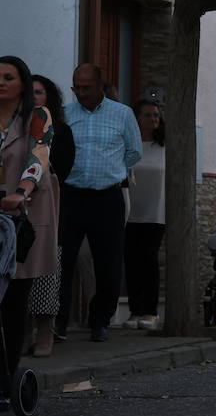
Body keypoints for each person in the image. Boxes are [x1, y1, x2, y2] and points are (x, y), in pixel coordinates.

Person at [58, 63, 141, 342]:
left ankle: (99, 321)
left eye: (86, 88)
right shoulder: (65, 115)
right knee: (61, 261)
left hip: (107, 197)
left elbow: (134, 152)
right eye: (76, 88)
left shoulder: (123, 114)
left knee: (109, 264)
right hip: (70, 196)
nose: (81, 94)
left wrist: (111, 171)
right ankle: (57, 323)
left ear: (100, 86)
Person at [0, 56, 57, 378]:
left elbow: (39, 155)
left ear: (22, 83)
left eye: (9, 77)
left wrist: (21, 191)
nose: (1, 82)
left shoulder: (37, 115)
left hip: (22, 214)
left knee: (13, 297)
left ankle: (8, 375)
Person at [24, 75, 69, 355]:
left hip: (45, 206)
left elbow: (62, 170)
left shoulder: (61, 131)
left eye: (39, 92)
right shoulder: (12, 127)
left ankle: (44, 332)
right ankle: (20, 332)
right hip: (13, 205)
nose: (34, 97)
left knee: (45, 272)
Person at [123, 99, 166, 329]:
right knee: (131, 261)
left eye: (156, 115)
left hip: (156, 213)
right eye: (148, 115)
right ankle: (135, 311)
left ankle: (151, 311)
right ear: (137, 119)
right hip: (130, 211)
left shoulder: (166, 147)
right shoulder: (129, 145)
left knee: (148, 259)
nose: (153, 119)